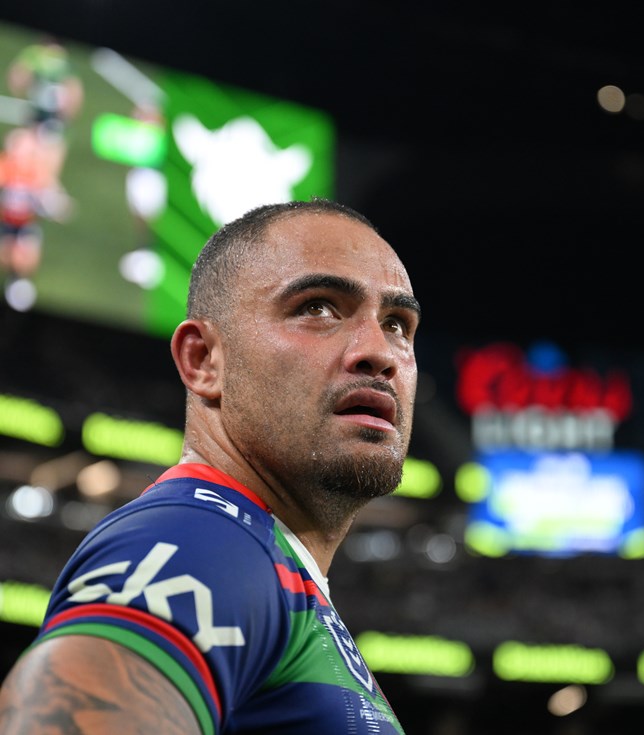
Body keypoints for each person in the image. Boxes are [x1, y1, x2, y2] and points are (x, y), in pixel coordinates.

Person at [0, 197, 421, 734]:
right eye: (318, 308)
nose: (379, 352)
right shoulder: (199, 541)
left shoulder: (265, 560)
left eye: (397, 323)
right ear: (203, 360)